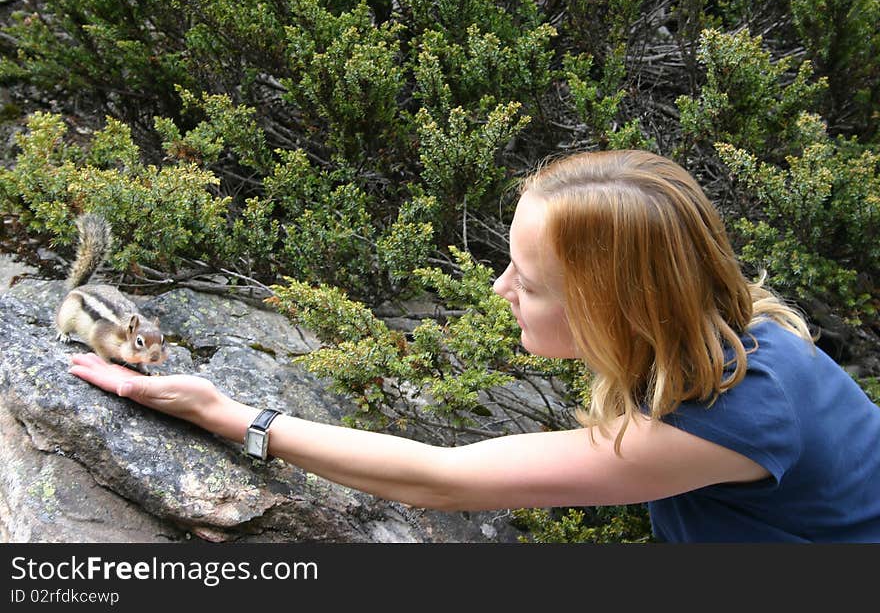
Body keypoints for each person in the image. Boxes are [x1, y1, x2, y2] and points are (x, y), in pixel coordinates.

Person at [69, 149, 880, 542]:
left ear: (614, 306)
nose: (499, 289)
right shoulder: (735, 337)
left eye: (526, 280)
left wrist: (231, 416)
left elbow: (448, 481)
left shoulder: (730, 418)